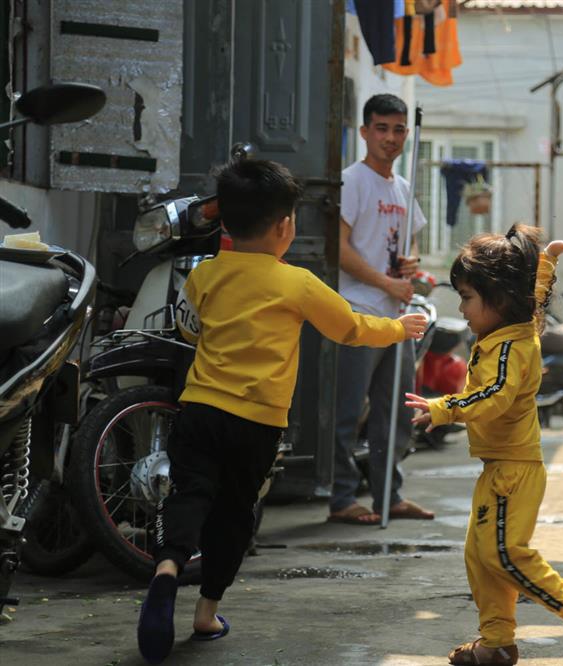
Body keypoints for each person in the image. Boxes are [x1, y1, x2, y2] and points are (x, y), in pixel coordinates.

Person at [135, 159, 427, 665]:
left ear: (226, 222)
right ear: (284, 226)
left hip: (201, 408)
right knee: (234, 512)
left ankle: (166, 570)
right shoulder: (297, 283)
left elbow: (188, 329)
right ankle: (206, 614)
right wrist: (399, 329)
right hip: (257, 422)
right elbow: (350, 328)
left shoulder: (204, 275)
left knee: (187, 494)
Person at [406, 225, 563, 666]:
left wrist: (444, 408)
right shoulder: (514, 326)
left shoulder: (509, 348)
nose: (462, 308)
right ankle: (496, 642)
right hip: (500, 467)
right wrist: (549, 258)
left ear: (498, 298)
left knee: (504, 554)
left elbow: (494, 396)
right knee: (481, 556)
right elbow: (534, 295)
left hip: (514, 471)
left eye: (467, 298)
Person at [328, 93, 435, 525]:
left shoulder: (403, 187)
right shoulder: (351, 182)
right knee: (349, 411)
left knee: (396, 412)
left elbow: (411, 242)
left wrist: (410, 262)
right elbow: (339, 249)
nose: (390, 138)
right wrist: (386, 282)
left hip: (396, 315)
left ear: (407, 134)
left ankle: (389, 495)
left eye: (398, 130)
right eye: (382, 128)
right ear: (365, 132)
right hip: (358, 312)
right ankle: (341, 498)